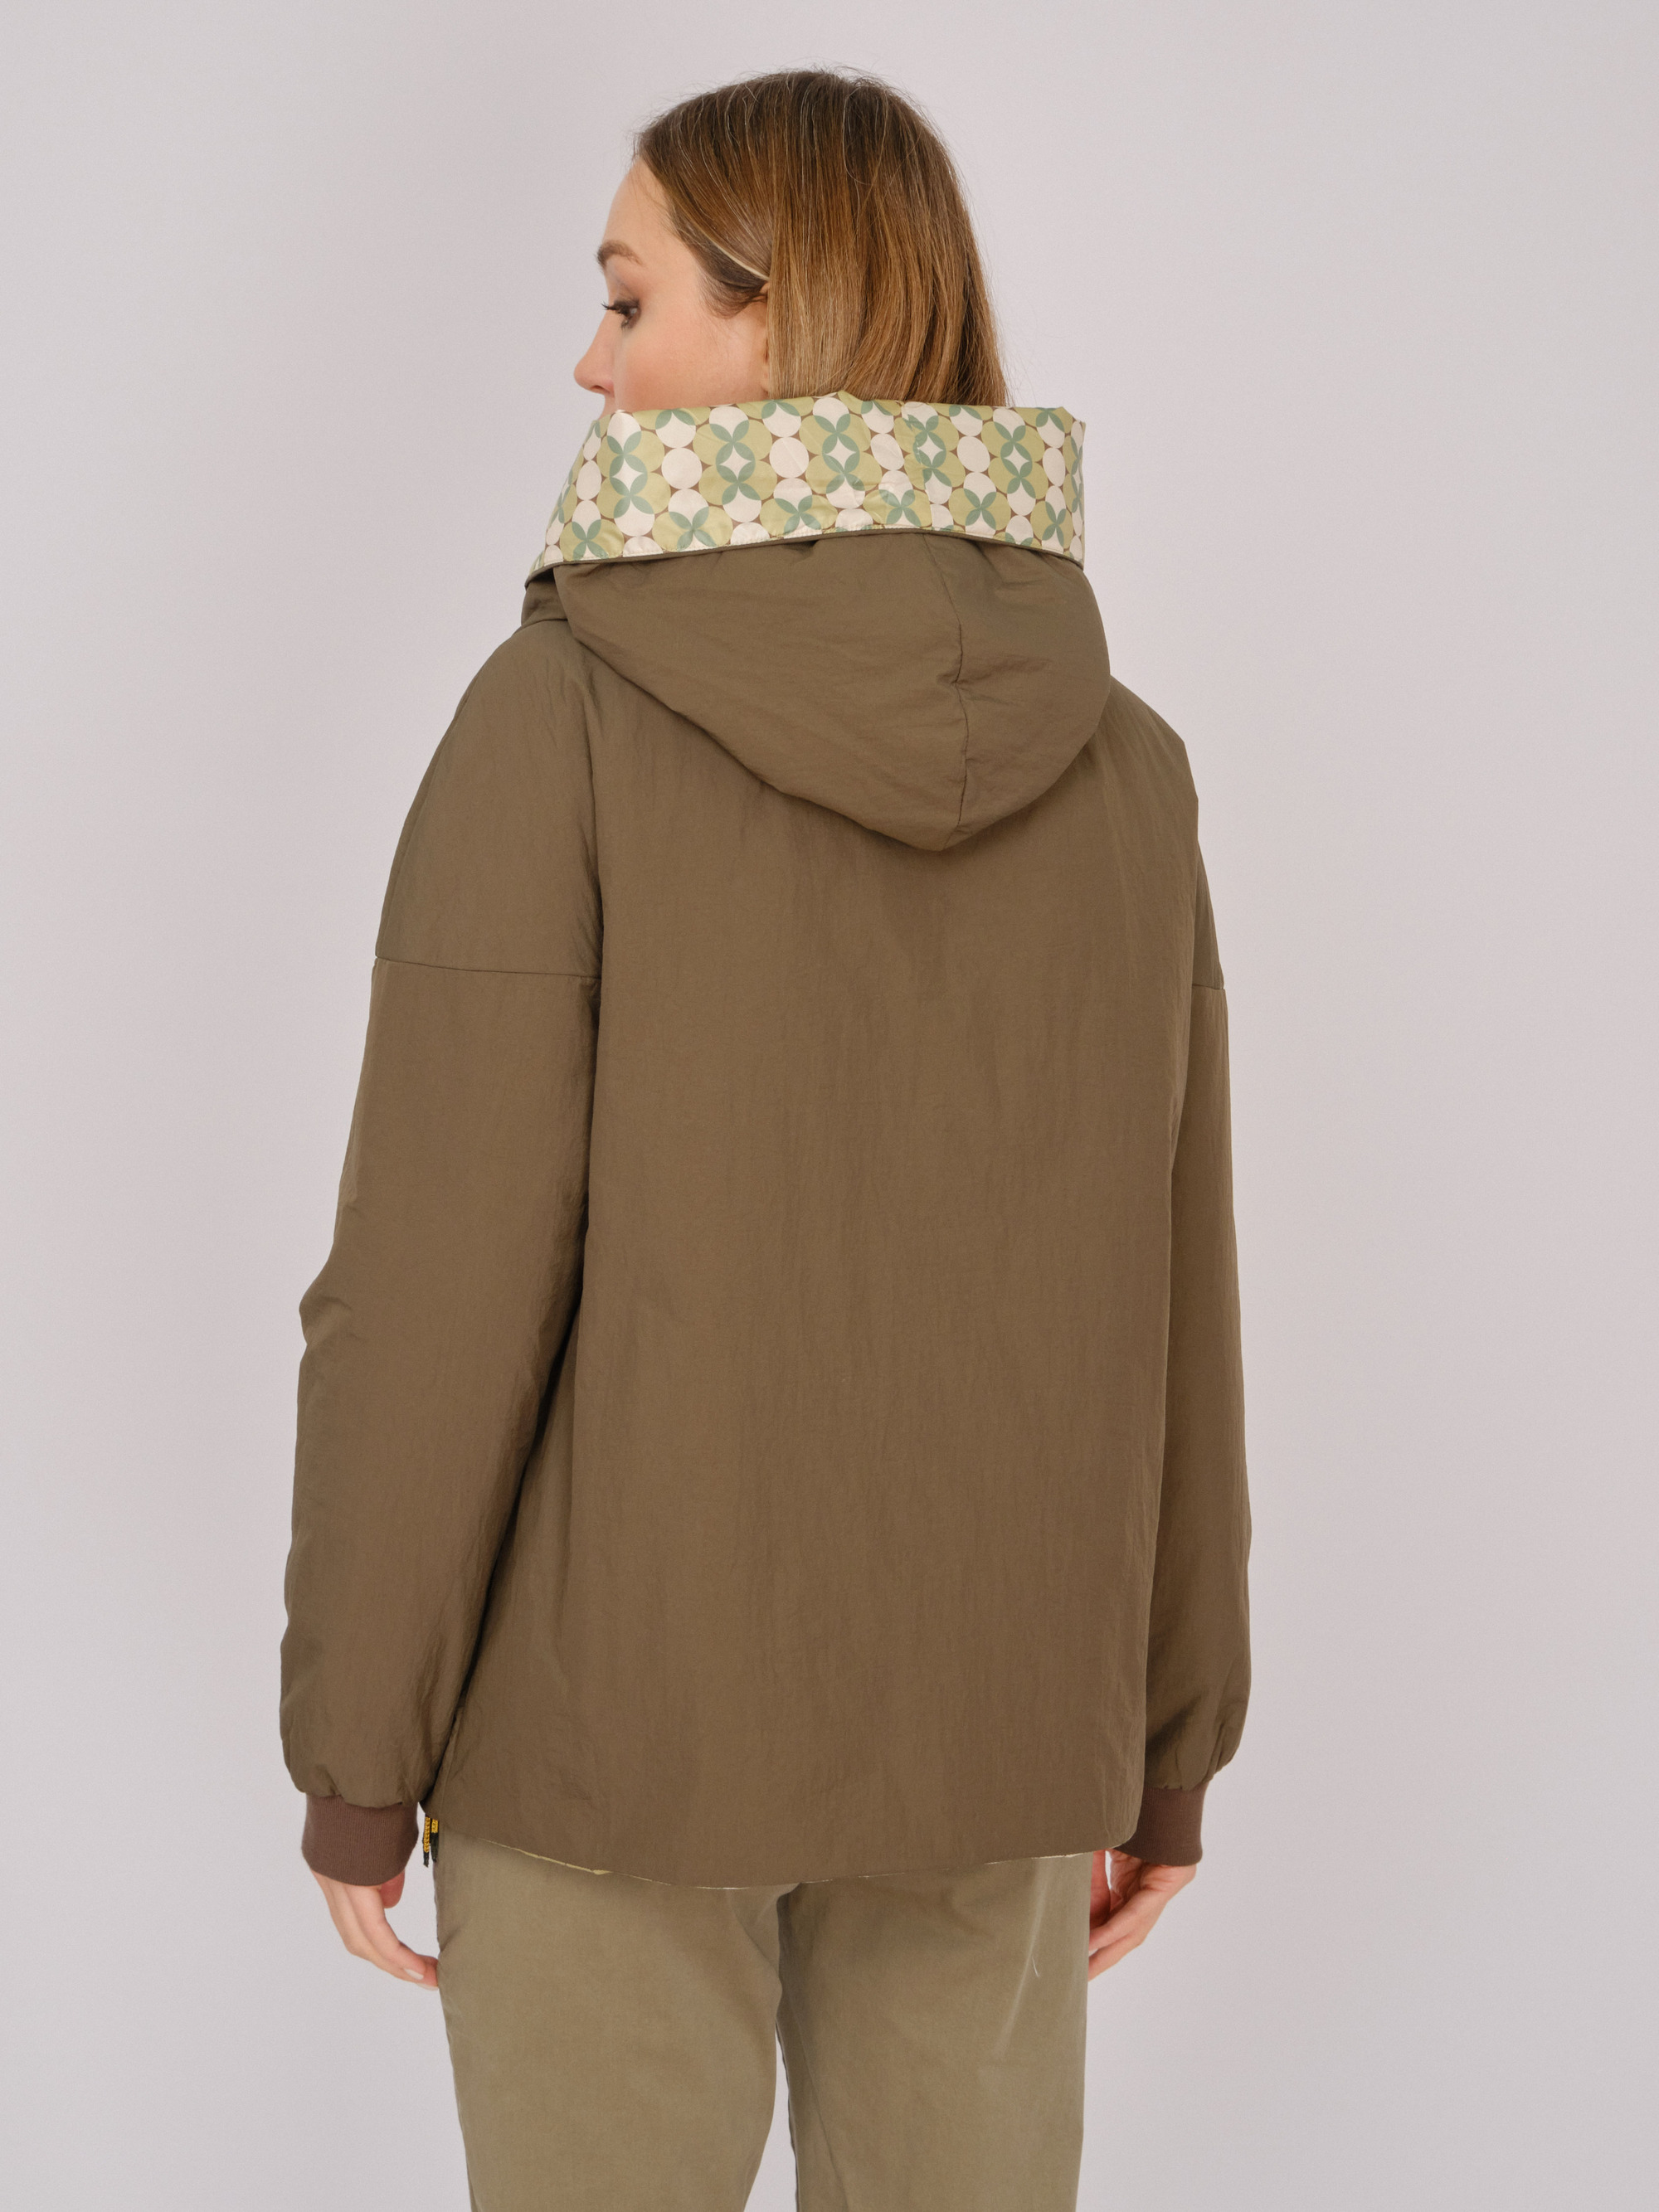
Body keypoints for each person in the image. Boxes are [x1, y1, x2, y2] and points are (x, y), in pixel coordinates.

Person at [280, 67, 1250, 2212]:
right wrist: (1169, 1741)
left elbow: (439, 1276)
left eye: (631, 300)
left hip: (609, 1741)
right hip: (1004, 1729)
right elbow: (1177, 1286)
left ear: (783, 312)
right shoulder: (1127, 767)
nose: (590, 358)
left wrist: (358, 1753)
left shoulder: (560, 716)